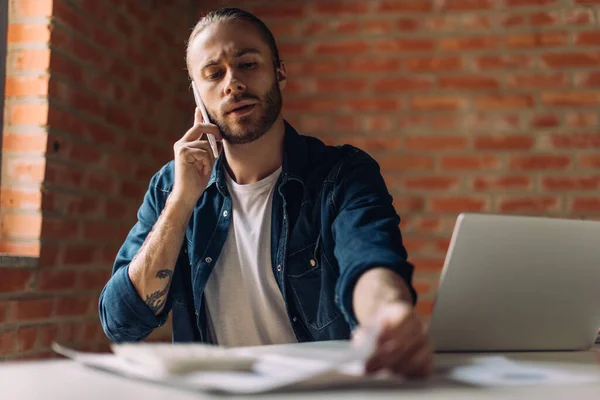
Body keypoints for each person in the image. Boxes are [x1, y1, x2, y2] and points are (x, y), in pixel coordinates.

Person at [99, 7, 433, 377]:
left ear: (279, 71)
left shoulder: (342, 175)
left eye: (248, 64)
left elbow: (369, 259)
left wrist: (388, 313)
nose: (233, 84)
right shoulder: (170, 187)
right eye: (213, 74)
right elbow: (121, 323)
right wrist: (180, 204)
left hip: (323, 391)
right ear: (197, 94)